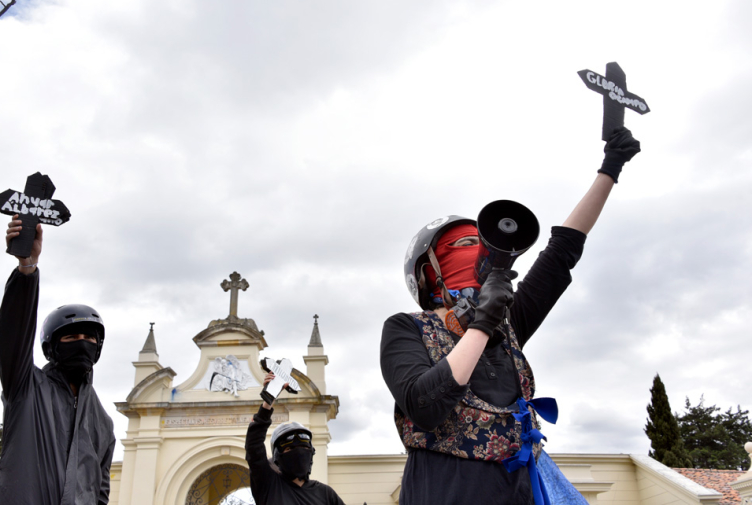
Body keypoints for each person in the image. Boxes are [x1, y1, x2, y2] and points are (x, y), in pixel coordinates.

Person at [380, 128, 641, 505]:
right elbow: (425, 407)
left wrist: (610, 168)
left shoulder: (510, 324)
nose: (479, 252)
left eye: (482, 244)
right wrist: (483, 322)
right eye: (466, 244)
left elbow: (563, 249)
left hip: (518, 486)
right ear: (429, 272)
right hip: (446, 488)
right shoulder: (406, 328)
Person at [0, 215, 115, 505]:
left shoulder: (104, 423)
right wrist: (27, 268)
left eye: (89, 337)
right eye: (70, 338)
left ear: (98, 347)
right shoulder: (25, 386)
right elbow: (13, 336)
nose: (82, 342)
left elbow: (100, 493)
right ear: (51, 348)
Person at [245, 372, 345, 504]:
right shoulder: (268, 484)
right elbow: (254, 447)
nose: (298, 452)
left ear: (311, 451)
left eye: (303, 447)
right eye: (289, 448)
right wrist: (268, 399)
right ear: (277, 456)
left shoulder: (326, 494)